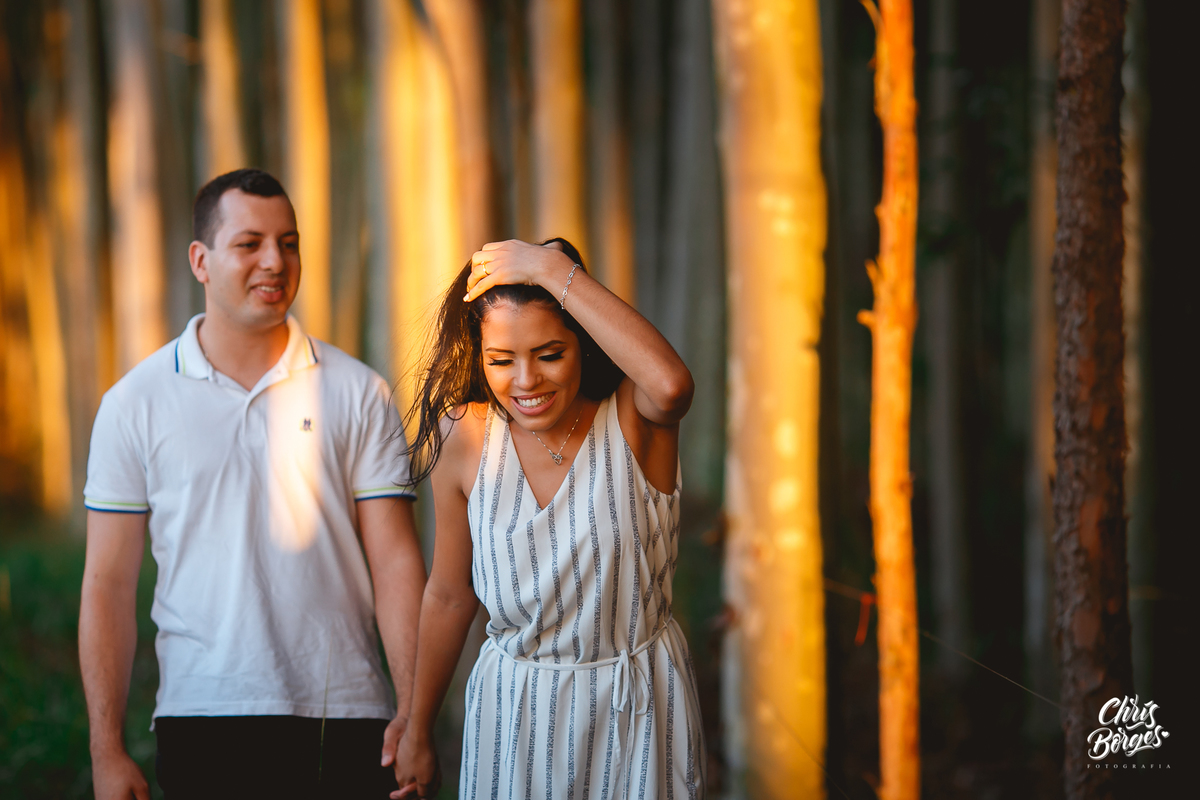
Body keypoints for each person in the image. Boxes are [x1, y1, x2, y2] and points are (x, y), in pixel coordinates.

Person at [79, 168, 427, 800]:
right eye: (250, 244)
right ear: (200, 260)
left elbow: (397, 562)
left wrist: (415, 714)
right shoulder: (134, 402)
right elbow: (107, 583)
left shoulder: (358, 391)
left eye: (288, 242)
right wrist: (106, 749)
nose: (275, 260)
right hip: (201, 717)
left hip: (348, 713)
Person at [391, 238, 707, 799]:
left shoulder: (635, 420)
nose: (527, 381)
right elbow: (449, 594)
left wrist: (550, 269)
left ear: (583, 344)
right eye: (501, 360)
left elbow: (672, 384)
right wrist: (417, 730)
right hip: (513, 714)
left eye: (549, 353)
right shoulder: (465, 434)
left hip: (635, 706)